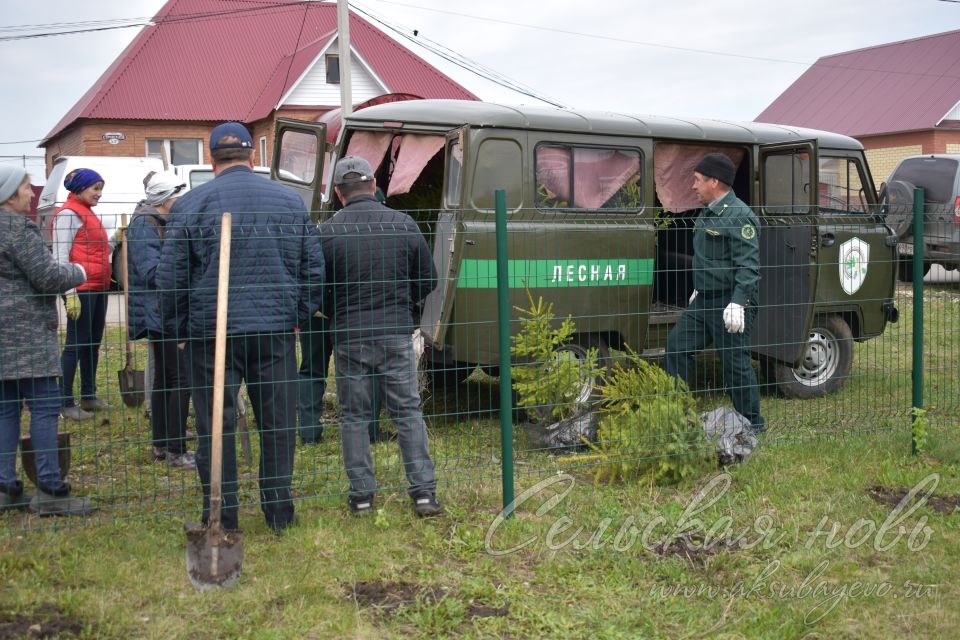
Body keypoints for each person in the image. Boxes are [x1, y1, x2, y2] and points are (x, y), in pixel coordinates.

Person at [156, 122, 325, 533]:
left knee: (216, 424)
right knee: (278, 421)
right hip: (274, 333)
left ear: (212, 160)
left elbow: (172, 278)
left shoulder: (190, 205)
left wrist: (180, 330)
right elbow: (314, 270)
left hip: (211, 335)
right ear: (253, 157)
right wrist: (295, 316)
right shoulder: (289, 202)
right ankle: (279, 512)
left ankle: (222, 514)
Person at [322, 156, 442, 517]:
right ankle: (423, 493)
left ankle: (361, 497)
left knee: (354, 416)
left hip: (350, 334)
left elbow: (319, 289)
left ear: (340, 194)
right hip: (394, 331)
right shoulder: (403, 225)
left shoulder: (328, 232)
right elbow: (428, 280)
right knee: (407, 410)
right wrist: (404, 304)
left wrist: (338, 311)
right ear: (374, 186)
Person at [0, 166, 95, 516]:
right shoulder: (17, 229)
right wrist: (81, 271)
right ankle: (51, 487)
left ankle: (5, 484)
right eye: (26, 188)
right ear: (10, 195)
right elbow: (47, 275)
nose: (31, 194)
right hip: (25, 333)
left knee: (5, 407)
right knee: (44, 406)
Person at [665, 153, 766, 434]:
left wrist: (738, 303)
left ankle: (753, 425)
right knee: (676, 347)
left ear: (715, 181)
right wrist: (699, 287)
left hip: (729, 302)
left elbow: (749, 267)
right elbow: (708, 258)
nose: (693, 186)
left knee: (735, 365)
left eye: (697, 180)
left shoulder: (739, 216)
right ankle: (679, 416)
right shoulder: (707, 211)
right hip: (704, 300)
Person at [126, 171, 195, 469]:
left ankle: (163, 443)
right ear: (166, 199)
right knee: (180, 379)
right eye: (180, 197)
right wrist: (186, 266)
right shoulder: (145, 224)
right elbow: (152, 272)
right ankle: (175, 449)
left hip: (166, 310)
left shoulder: (162, 222)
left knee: (169, 379)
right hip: (161, 312)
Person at [52, 168, 113, 420]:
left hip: (99, 286)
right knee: (75, 344)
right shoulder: (68, 214)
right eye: (95, 188)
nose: (99, 194)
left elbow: (95, 250)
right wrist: (70, 291)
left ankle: (88, 396)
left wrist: (114, 242)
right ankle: (64, 402)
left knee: (92, 343)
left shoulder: (88, 213)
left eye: (101, 189)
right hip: (81, 289)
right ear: (79, 188)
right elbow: (59, 256)